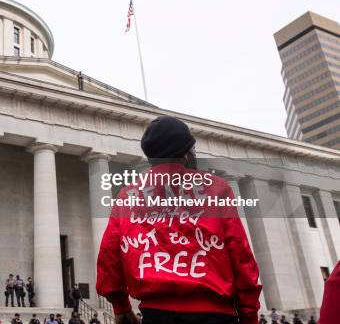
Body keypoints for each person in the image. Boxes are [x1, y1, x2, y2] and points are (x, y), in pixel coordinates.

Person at [96, 115, 262, 324]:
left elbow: (109, 256)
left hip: (156, 315)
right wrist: (249, 314)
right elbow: (240, 254)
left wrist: (121, 306)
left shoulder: (128, 195)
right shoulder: (216, 188)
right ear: (187, 152)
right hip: (215, 314)